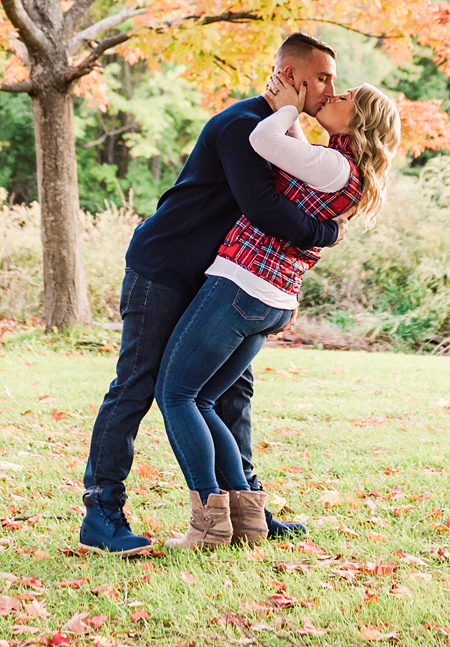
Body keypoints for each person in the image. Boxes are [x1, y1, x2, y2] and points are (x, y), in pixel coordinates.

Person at [78, 33, 349, 556]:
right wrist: (326, 236)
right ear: (291, 77)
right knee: (137, 386)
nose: (329, 89)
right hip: (164, 267)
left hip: (216, 280)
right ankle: (102, 514)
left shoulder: (280, 131)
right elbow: (265, 210)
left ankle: (248, 510)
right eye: (321, 78)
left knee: (232, 392)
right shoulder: (241, 127)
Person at [152, 70, 401, 550]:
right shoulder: (342, 168)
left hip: (243, 285)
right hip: (271, 299)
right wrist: (296, 115)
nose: (335, 93)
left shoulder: (335, 167)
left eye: (346, 96)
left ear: (359, 120)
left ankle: (207, 525)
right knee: (203, 402)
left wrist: (286, 105)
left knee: (177, 394)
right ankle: (246, 520)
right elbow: (293, 153)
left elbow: (263, 137)